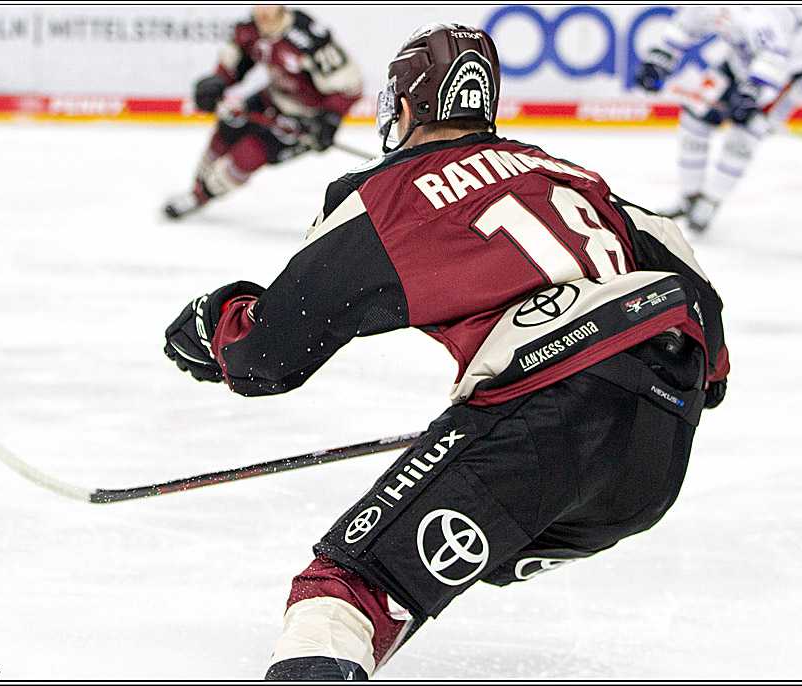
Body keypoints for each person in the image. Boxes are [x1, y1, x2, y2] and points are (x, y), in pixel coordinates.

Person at [164, 23, 729, 680]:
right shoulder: (568, 173)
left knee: (349, 593)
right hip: (655, 453)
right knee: (452, 549)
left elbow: (266, 356)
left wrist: (212, 325)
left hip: (545, 411)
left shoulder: (386, 194)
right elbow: (689, 277)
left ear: (405, 108)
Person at [163, 5, 363, 220]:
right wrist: (218, 81)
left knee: (249, 153)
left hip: (306, 118)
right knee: (227, 129)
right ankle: (196, 188)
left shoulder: (308, 39)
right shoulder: (250, 29)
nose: (262, 10)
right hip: (271, 99)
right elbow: (236, 60)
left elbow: (350, 86)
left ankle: (202, 195)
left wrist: (329, 120)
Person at [635, 6, 802, 232]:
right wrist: (660, 58)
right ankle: (690, 197)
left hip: (783, 76)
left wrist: (753, 90)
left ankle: (710, 201)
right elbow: (687, 24)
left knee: (742, 138)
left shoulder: (764, 12)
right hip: (739, 64)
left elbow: (776, 54)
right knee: (695, 116)